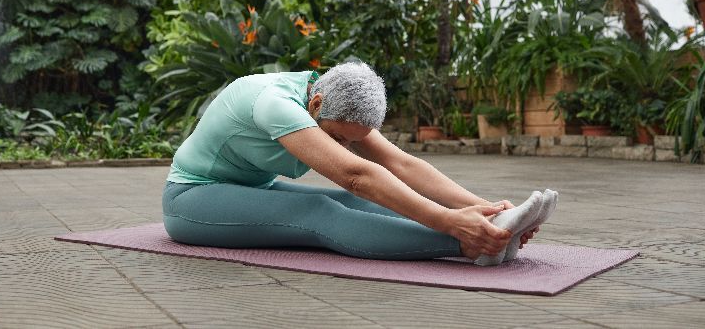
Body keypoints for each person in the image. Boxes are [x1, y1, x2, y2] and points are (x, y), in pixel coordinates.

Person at [162, 62, 541, 262]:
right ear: (316, 105)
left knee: (356, 204)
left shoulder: (336, 104)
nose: (344, 145)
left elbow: (400, 164)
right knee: (318, 209)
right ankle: (466, 246)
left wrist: (480, 207)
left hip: (248, 189)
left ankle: (487, 230)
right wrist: (450, 224)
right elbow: (355, 175)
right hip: (192, 198)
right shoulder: (274, 104)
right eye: (338, 137)